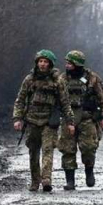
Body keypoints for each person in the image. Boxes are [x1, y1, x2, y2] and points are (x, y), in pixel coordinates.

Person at [13, 50, 75, 192]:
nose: (42, 64)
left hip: (49, 121)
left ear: (50, 64)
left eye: (45, 62)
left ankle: (46, 179)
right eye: (40, 61)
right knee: (33, 152)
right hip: (32, 120)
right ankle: (35, 180)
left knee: (48, 149)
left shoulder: (57, 81)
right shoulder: (29, 79)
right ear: (37, 63)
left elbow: (65, 103)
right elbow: (20, 100)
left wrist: (70, 122)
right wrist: (17, 118)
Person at [57, 50, 103, 190]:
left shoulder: (92, 78)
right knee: (67, 149)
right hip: (68, 119)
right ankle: (70, 181)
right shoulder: (62, 79)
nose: (67, 65)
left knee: (89, 148)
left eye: (70, 63)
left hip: (87, 118)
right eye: (67, 62)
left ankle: (89, 171)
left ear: (77, 64)